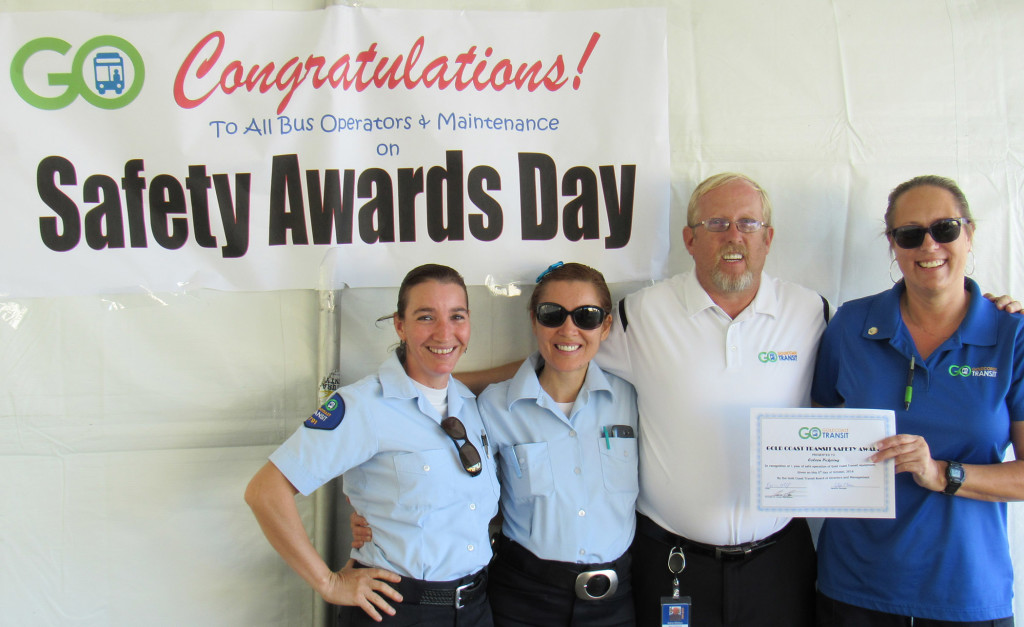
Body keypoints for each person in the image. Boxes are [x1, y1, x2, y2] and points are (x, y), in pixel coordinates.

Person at [596, 173, 823, 627]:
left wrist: (999, 313)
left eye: (748, 224)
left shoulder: (813, 311)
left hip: (779, 562)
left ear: (769, 238)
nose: (734, 236)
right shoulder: (640, 314)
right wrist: (453, 378)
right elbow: (564, 357)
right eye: (717, 224)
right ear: (690, 239)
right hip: (672, 562)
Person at [812, 175, 1024, 626]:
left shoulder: (1014, 337)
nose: (929, 245)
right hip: (854, 589)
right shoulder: (851, 324)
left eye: (945, 228)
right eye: (910, 234)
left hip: (965, 593)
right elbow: (817, 421)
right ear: (893, 245)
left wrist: (941, 473)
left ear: (969, 234)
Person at [245, 263, 500, 626]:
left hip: (475, 609)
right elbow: (264, 491)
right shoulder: (363, 405)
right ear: (400, 325)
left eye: (456, 316)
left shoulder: (469, 405)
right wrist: (329, 583)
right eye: (426, 317)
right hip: (398, 610)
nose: (445, 333)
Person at [479, 262, 639, 626]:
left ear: (607, 325)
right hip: (523, 600)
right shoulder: (495, 407)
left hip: (614, 604)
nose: (569, 329)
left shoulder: (630, 399)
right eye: (553, 314)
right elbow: (463, 495)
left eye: (586, 316)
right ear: (534, 321)